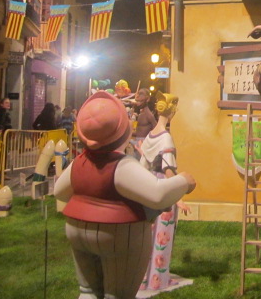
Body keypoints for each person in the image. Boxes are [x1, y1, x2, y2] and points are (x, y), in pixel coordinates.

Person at [54, 91, 196, 299]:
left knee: (88, 291)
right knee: (118, 293)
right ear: (122, 132)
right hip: (117, 233)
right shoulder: (120, 165)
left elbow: (59, 191)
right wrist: (184, 181)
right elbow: (157, 193)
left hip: (76, 228)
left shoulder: (79, 162)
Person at [138, 92, 190, 294]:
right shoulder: (166, 139)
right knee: (163, 236)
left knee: (147, 237)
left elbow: (143, 165)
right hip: (164, 190)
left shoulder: (150, 136)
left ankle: (143, 277)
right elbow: (169, 170)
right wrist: (178, 197)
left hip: (149, 189)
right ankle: (159, 279)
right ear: (172, 111)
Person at [131, 88, 157, 159]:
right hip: (138, 142)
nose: (138, 96)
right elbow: (140, 131)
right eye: (138, 93)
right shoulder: (141, 113)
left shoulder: (148, 115)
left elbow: (156, 129)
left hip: (144, 144)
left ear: (147, 99)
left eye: (141, 94)